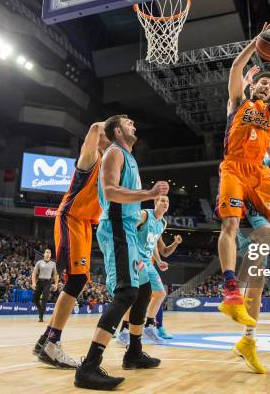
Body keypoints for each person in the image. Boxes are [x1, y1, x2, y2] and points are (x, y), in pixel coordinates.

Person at [74, 115, 169, 390]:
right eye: (128, 122)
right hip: (116, 228)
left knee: (144, 289)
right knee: (127, 292)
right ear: (117, 130)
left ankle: (134, 353)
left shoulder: (129, 156)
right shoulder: (114, 153)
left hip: (127, 228)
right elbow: (112, 192)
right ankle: (88, 367)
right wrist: (149, 193)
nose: (134, 125)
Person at [216, 21, 270, 327]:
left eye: (268, 84)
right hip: (236, 175)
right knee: (251, 232)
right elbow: (236, 67)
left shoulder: (267, 123)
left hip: (256, 182)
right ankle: (232, 287)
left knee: (266, 251)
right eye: (260, 83)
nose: (265, 85)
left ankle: (248, 333)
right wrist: (254, 43)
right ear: (251, 86)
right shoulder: (238, 104)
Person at [35, 121, 110, 370]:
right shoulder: (92, 157)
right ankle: (53, 343)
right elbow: (94, 128)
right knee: (75, 281)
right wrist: (107, 125)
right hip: (71, 219)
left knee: (80, 280)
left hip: (86, 224)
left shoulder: (112, 164)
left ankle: (46, 339)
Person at [232, 143, 270, 374]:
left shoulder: (261, 156)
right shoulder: (235, 151)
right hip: (243, 219)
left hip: (257, 218)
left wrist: (266, 141)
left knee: (257, 288)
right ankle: (233, 295)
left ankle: (248, 340)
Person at [115, 195, 182, 345]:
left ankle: (149, 326)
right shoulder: (145, 214)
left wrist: (159, 260)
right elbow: (128, 227)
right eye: (163, 200)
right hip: (135, 258)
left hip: (148, 261)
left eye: (168, 201)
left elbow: (158, 247)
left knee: (160, 293)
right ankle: (124, 331)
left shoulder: (162, 223)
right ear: (155, 203)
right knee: (136, 295)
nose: (166, 203)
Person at [31, 249, 59, 322]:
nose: (48, 254)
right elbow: (34, 273)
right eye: (46, 252)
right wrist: (33, 283)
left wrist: (56, 284)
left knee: (44, 298)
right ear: (44, 254)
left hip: (48, 282)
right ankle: (41, 310)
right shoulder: (39, 262)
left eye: (49, 252)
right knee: (35, 299)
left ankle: (41, 316)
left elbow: (56, 274)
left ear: (50, 255)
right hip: (40, 281)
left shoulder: (53, 263)